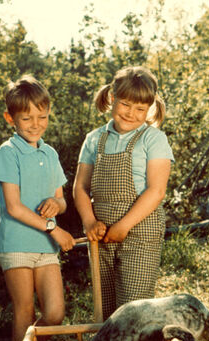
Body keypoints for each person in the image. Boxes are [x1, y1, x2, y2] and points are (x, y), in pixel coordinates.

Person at [73, 66, 174, 320]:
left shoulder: (153, 139)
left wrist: (124, 225)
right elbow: (80, 187)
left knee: (133, 309)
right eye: (125, 104)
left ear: (150, 108)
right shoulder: (95, 139)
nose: (131, 113)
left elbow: (157, 190)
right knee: (105, 310)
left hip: (140, 231)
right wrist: (89, 221)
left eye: (140, 109)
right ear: (112, 98)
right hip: (101, 234)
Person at [0, 75, 76, 341]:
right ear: (10, 118)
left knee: (54, 314)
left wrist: (56, 202)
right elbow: (14, 207)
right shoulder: (8, 152)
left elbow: (63, 201)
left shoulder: (50, 153)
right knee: (25, 311)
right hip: (16, 243)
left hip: (45, 247)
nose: (35, 124)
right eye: (27, 118)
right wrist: (54, 228)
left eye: (42, 117)